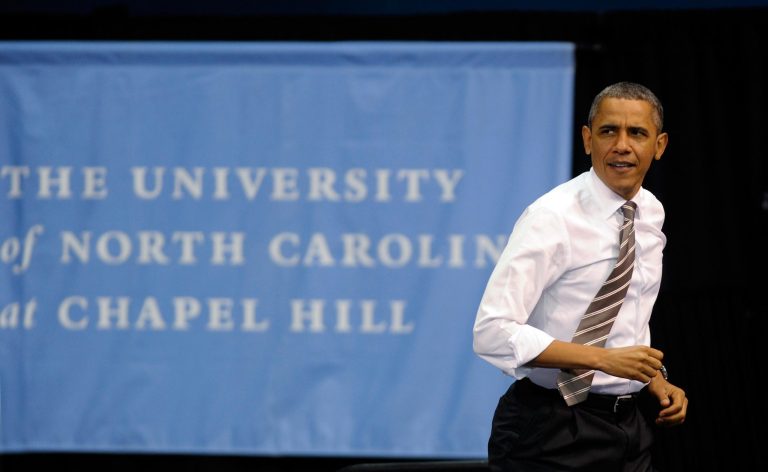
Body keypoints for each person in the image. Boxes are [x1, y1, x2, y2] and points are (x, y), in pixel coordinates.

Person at [473, 82, 688, 471]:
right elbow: (492, 331)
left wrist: (653, 380)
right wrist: (602, 361)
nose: (622, 145)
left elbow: (626, 316)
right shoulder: (551, 217)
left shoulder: (650, 213)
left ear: (659, 146)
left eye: (637, 133)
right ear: (588, 140)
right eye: (609, 131)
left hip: (630, 426)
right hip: (549, 430)